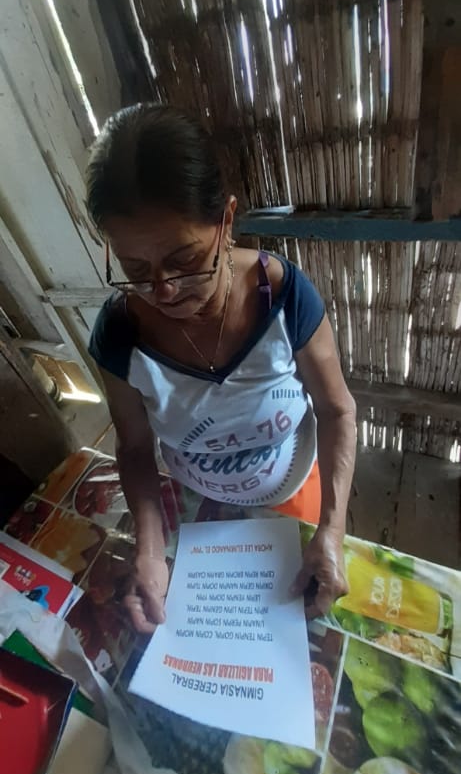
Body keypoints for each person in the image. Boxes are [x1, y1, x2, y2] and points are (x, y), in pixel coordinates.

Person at [86, 103, 356, 633]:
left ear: (227, 220)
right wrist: (149, 549)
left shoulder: (283, 299)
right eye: (135, 268)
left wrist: (333, 529)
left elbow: (337, 411)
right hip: (192, 499)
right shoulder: (119, 336)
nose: (163, 290)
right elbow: (135, 448)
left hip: (292, 491)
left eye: (184, 260)